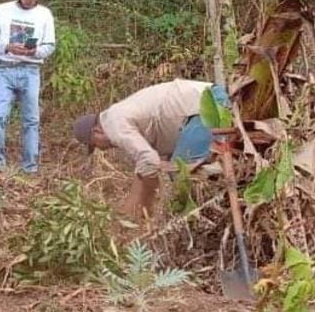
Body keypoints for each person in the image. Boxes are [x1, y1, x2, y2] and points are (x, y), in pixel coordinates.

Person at [73, 80, 228, 219]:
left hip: (207, 105)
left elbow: (149, 162)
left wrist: (145, 208)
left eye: (95, 144)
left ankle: (212, 217)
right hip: (206, 103)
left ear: (96, 131)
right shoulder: (119, 117)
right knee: (181, 168)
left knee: (181, 172)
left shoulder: (113, 124)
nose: (101, 149)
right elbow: (142, 172)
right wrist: (125, 215)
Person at [0, 0, 57, 176]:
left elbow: (50, 45)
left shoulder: (44, 14)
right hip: (5, 68)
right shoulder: (2, 10)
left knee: (31, 119)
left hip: (31, 70)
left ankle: (30, 167)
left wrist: (35, 51)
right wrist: (8, 47)